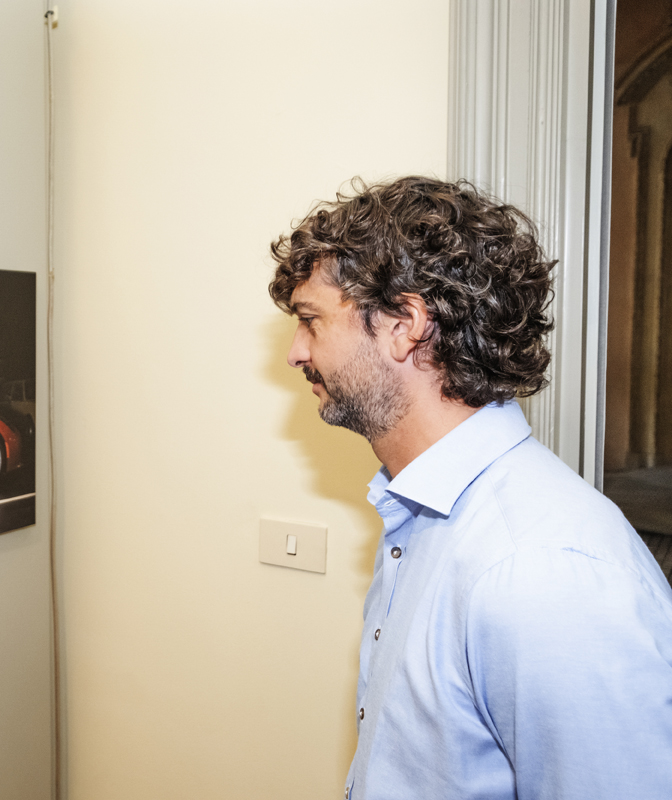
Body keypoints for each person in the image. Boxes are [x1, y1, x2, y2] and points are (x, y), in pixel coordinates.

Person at [268, 176, 672, 800]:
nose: (297, 352)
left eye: (311, 321)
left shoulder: (540, 571)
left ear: (405, 323)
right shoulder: (423, 517)